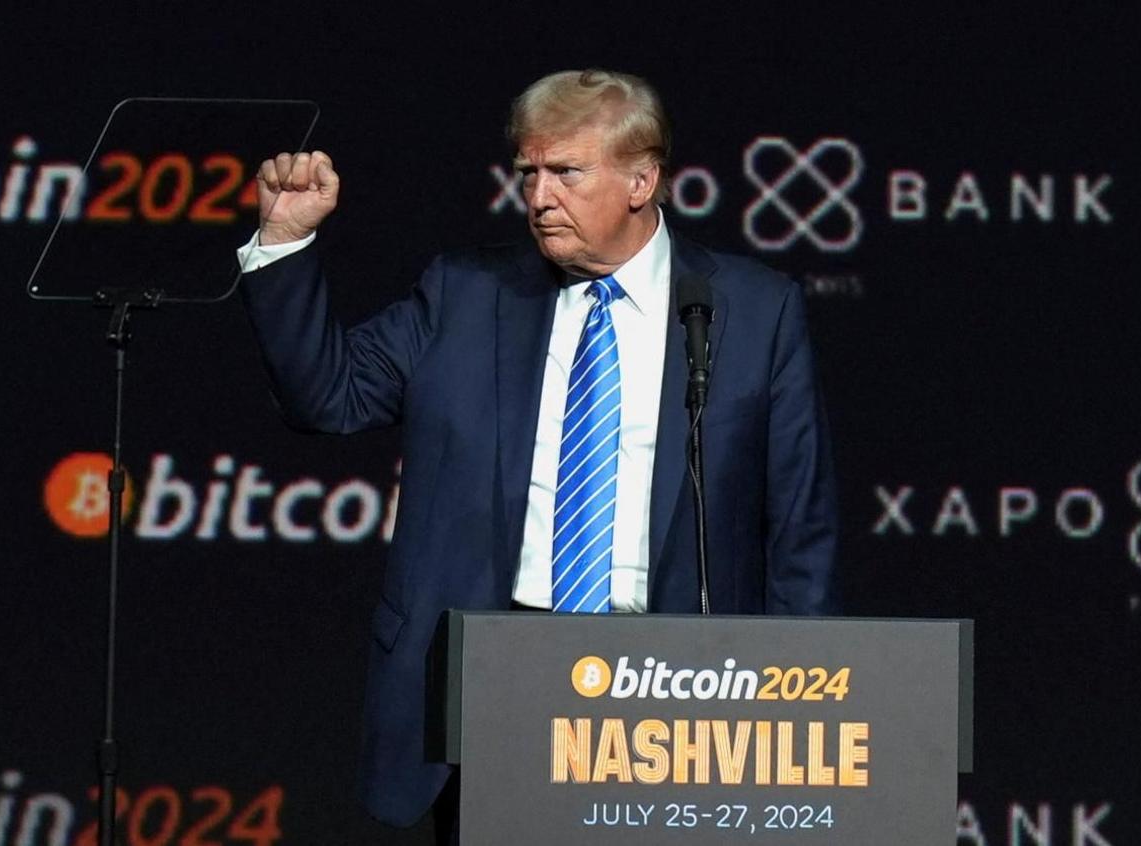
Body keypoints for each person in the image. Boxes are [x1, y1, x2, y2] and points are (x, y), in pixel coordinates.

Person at [236, 69, 838, 840]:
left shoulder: (753, 310)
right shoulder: (465, 293)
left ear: (642, 181)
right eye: (529, 173)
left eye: (567, 172)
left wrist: (797, 712)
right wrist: (285, 241)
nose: (539, 196)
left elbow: (799, 530)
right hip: (497, 681)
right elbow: (328, 396)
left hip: (678, 699)